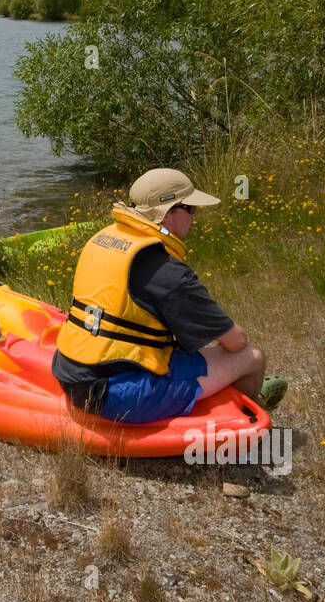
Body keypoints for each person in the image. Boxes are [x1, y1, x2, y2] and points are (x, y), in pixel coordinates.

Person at [52, 168, 286, 424]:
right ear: (171, 211)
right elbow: (236, 342)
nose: (194, 217)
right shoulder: (168, 272)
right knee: (251, 357)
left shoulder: (105, 238)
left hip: (68, 371)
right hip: (112, 394)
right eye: (191, 209)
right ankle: (240, 413)